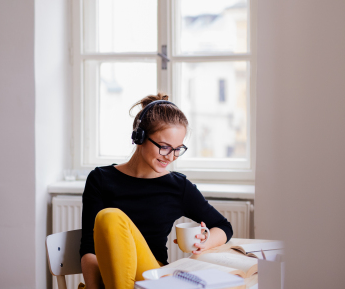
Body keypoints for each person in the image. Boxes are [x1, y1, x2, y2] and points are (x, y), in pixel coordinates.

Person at [79, 93, 234, 289]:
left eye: (178, 149)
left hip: (151, 278)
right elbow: (88, 250)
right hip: (108, 279)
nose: (171, 157)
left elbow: (223, 226)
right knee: (109, 218)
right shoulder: (100, 179)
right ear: (139, 137)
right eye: (164, 147)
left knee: (110, 216)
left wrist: (205, 240)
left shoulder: (178, 186)